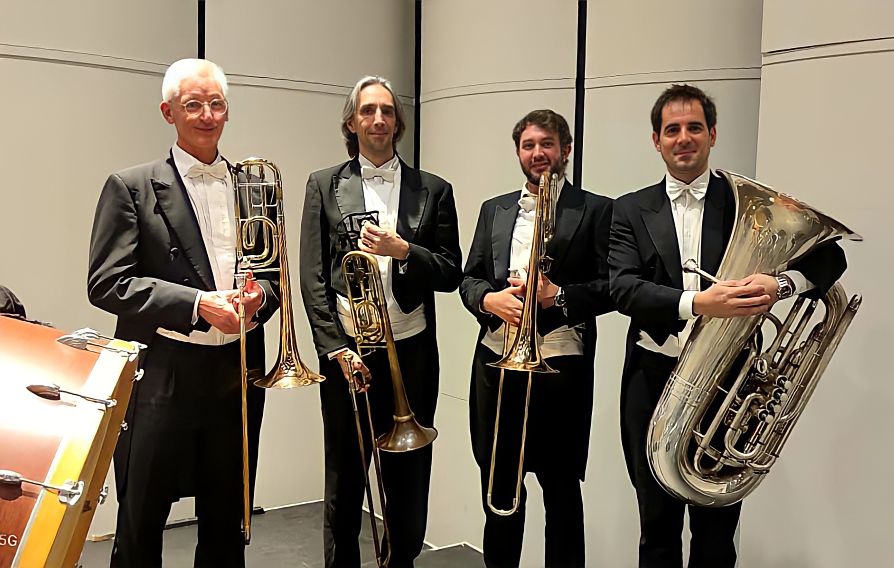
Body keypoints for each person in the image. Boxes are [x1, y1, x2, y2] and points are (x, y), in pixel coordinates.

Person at [608, 84, 847, 567]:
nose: (683, 138)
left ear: (712, 134)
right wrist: (698, 302)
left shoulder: (744, 202)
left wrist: (782, 286)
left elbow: (832, 257)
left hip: (730, 384)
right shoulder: (630, 209)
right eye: (671, 130)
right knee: (655, 524)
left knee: (717, 526)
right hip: (651, 378)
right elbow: (623, 288)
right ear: (656, 140)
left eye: (694, 127)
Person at [87, 58, 279, 568]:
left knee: (226, 522)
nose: (207, 115)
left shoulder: (254, 184)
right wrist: (196, 304)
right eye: (193, 104)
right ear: (168, 111)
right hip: (162, 374)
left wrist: (261, 300)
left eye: (216, 104)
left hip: (234, 373)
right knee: (142, 519)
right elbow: (107, 283)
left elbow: (273, 273)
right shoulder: (131, 186)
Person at [299, 75, 462, 568]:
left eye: (387, 111)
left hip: (412, 351)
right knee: (345, 483)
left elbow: (452, 271)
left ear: (398, 122)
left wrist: (405, 250)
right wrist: (334, 348)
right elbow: (312, 278)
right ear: (351, 122)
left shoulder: (433, 190)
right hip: (349, 353)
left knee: (409, 482)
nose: (379, 119)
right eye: (368, 111)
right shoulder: (324, 184)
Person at [459, 109, 615, 568]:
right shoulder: (495, 209)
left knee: (562, 487)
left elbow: (613, 286)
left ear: (565, 150)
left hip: (561, 364)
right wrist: (490, 301)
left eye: (547, 143)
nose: (538, 153)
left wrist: (559, 296)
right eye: (528, 145)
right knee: (500, 484)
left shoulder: (596, 209)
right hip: (498, 361)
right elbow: (469, 279)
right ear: (518, 152)